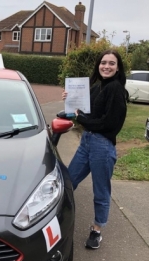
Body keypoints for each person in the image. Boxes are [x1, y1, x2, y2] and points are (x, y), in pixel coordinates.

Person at [62, 49, 128, 249]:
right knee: (68, 182)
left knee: (100, 191)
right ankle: (60, 219)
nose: (106, 66)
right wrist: (69, 98)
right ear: (98, 65)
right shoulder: (96, 87)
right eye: (103, 62)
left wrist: (80, 118)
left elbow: (108, 123)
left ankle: (96, 230)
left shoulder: (116, 89)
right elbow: (84, 111)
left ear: (118, 68)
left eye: (111, 63)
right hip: (87, 142)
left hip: (102, 146)